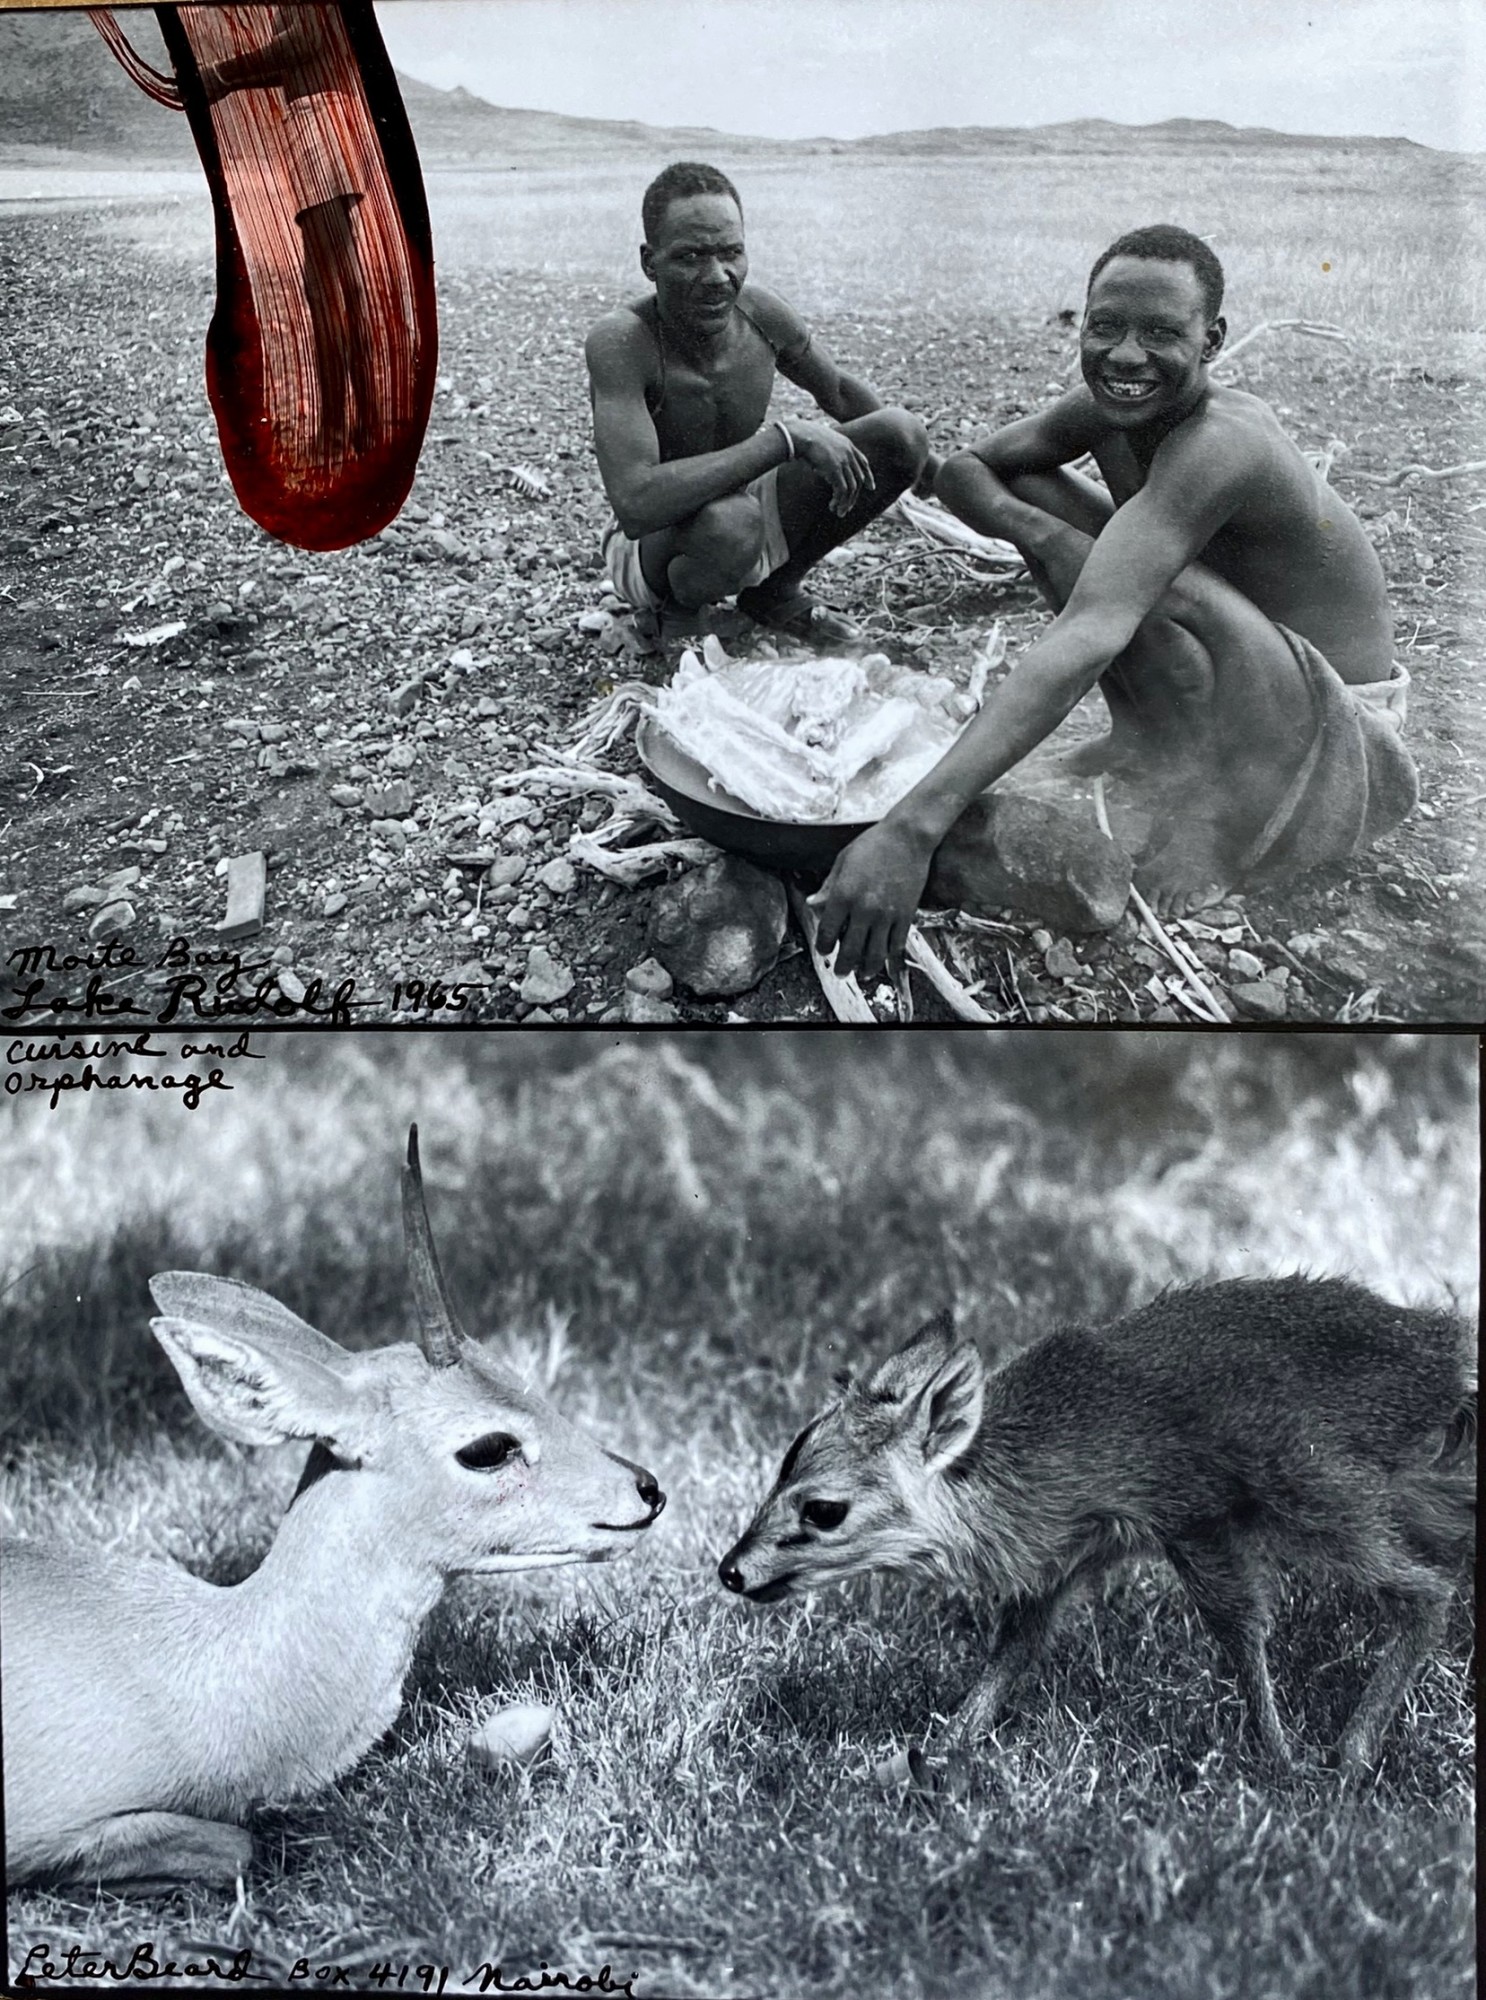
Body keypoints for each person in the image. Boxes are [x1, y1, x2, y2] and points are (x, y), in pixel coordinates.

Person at [810, 223, 1417, 978]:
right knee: (1072, 521)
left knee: (1145, 579)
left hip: (1340, 736)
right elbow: (970, 471)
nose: (1126, 355)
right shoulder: (1108, 406)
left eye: (1161, 332)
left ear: (1212, 341)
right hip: (1247, 664)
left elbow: (1097, 625)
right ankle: (1153, 742)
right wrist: (1053, 538)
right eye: (1106, 327)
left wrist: (911, 828)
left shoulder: (1221, 443)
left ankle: (1217, 821)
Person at [585, 161, 934, 648]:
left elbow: (837, 393)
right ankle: (677, 613)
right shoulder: (623, 342)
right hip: (650, 545)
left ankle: (774, 591)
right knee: (733, 521)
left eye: (731, 253)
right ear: (650, 262)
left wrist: (935, 473)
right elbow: (637, 504)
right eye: (690, 257)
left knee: (900, 434)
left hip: (740, 506)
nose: (717, 276)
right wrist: (786, 440)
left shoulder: (760, 315)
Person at [197, 6, 376, 465]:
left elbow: (305, 41)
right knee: (341, 277)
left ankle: (338, 434)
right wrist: (229, 82)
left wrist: (223, 70)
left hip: (320, 125)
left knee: (324, 284)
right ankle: (365, 423)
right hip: (332, 122)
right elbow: (298, 59)